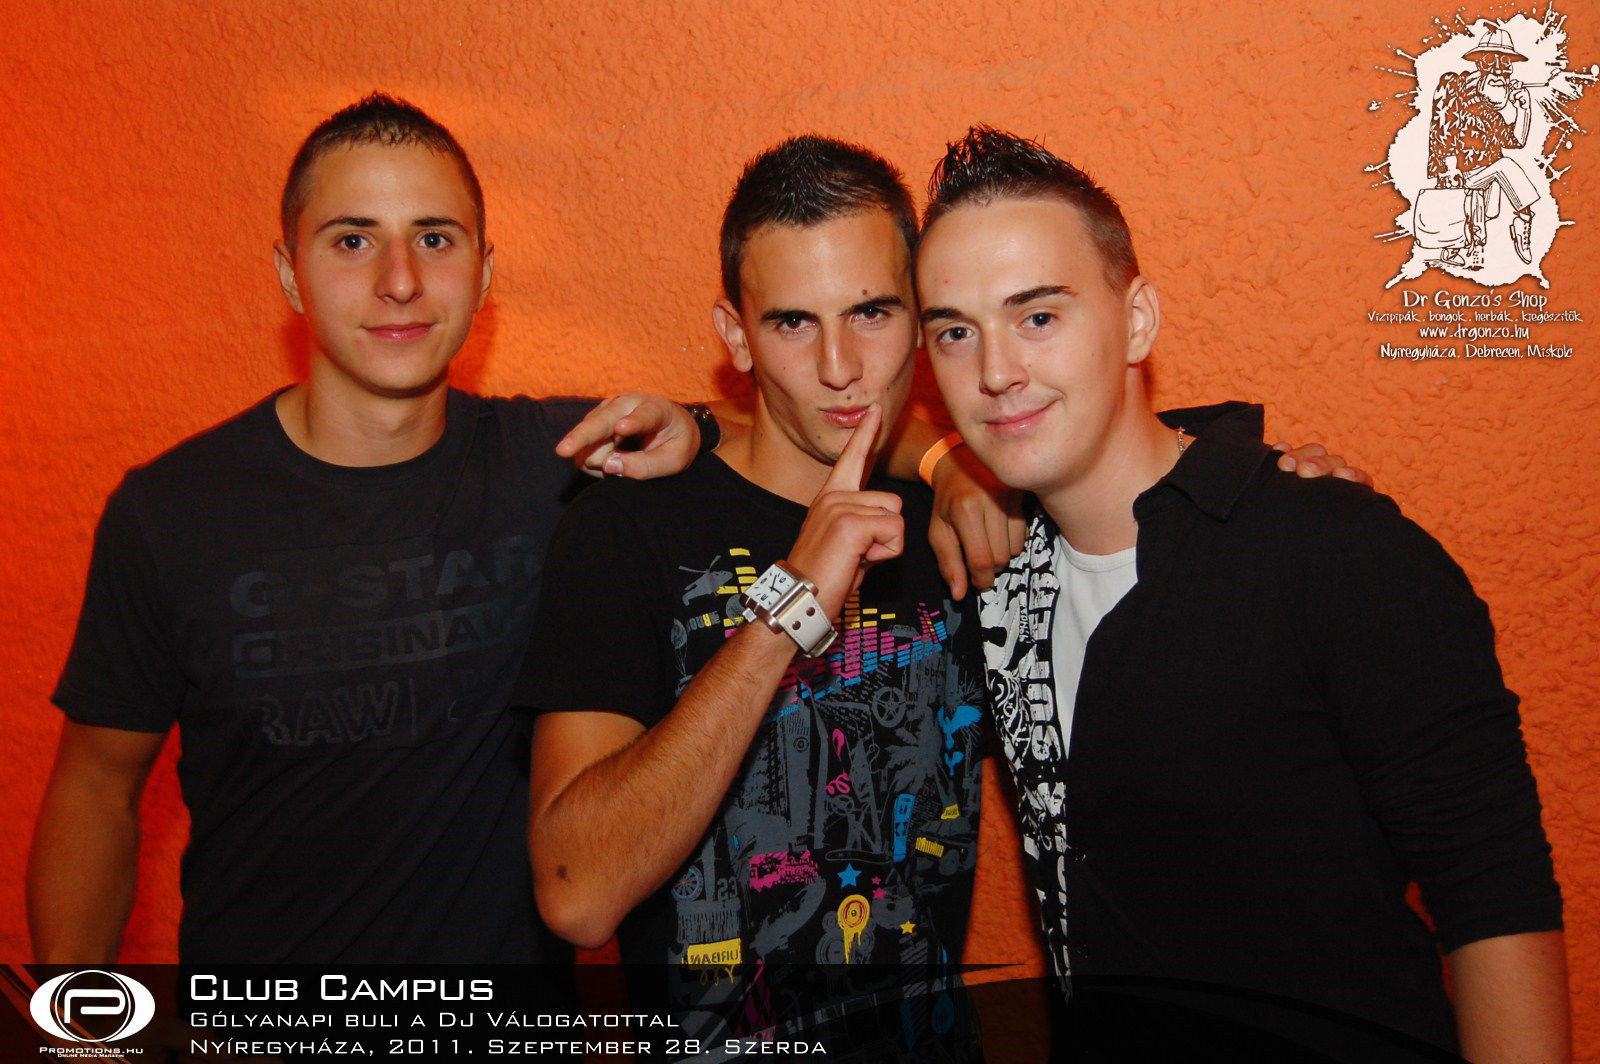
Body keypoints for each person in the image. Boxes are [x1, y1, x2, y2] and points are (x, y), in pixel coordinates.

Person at [515, 135, 1362, 1055]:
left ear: (923, 319)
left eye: (872, 312)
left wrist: (1283, 501)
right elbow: (577, 895)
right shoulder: (628, 527)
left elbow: (1133, 468)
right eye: (793, 323)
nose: (840, 366)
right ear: (736, 337)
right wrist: (791, 605)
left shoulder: (979, 513)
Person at [25, 93, 725, 967]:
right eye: (353, 240)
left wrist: (714, 427)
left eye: (435, 238)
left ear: (485, 271)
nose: (400, 280)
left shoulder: (572, 464)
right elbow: (96, 790)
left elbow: (796, 420)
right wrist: (76, 1024)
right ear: (289, 273)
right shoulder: (171, 512)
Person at [914, 126, 1567, 1059]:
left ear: (1138, 320)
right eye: (955, 332)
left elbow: (1495, 898)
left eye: (1040, 317)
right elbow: (819, 415)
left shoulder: (1336, 549)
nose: (995, 372)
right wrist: (936, 461)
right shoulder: (992, 578)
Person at [1427, 26, 1540, 265]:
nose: (1499, 72)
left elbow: (1515, 141)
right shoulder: (1454, 88)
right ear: (1479, 64)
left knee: (1488, 201)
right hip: (1458, 174)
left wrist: (1523, 110)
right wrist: (1448, 168)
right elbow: (1441, 128)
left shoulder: (1489, 111)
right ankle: (1522, 221)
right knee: (1503, 168)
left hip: (1486, 177)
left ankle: (1461, 246)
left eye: (1506, 65)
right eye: (1491, 63)